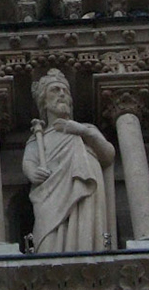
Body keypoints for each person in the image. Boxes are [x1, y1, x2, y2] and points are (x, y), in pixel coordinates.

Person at [23, 68, 116, 253]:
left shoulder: (86, 129)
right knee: (48, 241)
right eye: (55, 90)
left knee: (85, 236)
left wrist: (82, 131)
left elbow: (108, 155)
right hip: (50, 193)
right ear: (43, 101)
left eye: (65, 91)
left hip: (85, 189)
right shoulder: (38, 138)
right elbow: (29, 161)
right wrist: (32, 172)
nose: (62, 94)